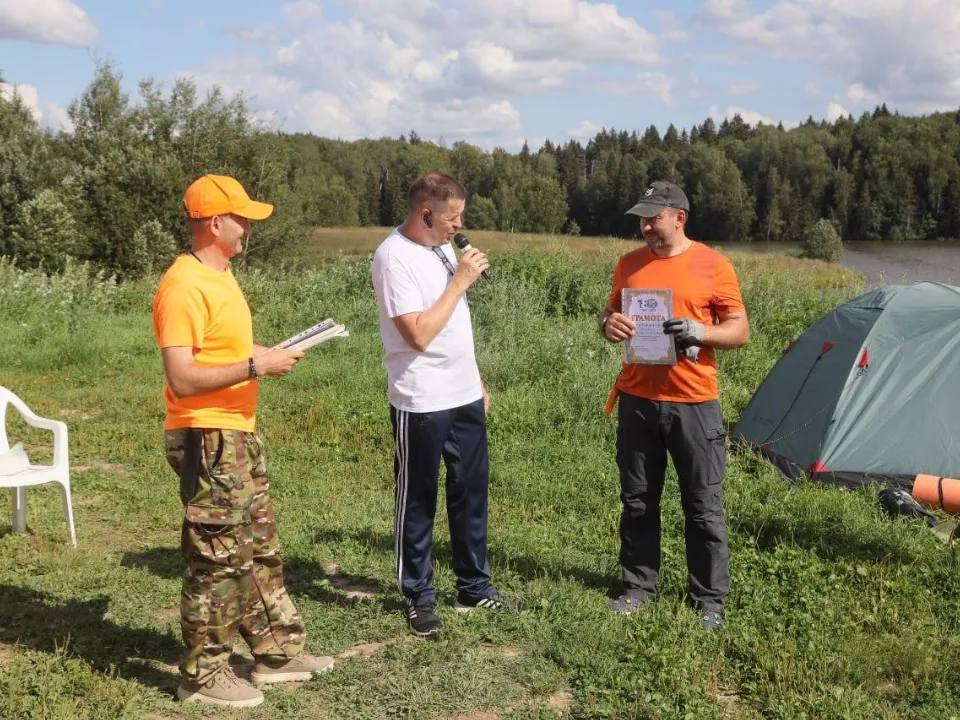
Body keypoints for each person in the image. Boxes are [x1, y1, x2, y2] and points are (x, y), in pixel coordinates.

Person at [152, 174, 334, 708]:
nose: (249, 228)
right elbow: (183, 376)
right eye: (242, 218)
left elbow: (219, 350)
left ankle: (276, 652)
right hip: (207, 436)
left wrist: (266, 353)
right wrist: (257, 364)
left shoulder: (220, 276)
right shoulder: (183, 285)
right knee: (218, 559)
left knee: (259, 549)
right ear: (214, 223)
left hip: (236, 432)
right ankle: (202, 676)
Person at [598, 180, 749, 631]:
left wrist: (701, 333)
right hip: (638, 399)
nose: (645, 225)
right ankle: (639, 587)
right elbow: (608, 315)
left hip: (694, 403)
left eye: (653, 217)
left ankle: (708, 599)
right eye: (641, 218)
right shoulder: (628, 264)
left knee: (703, 504)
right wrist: (609, 324)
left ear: (679, 216)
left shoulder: (713, 264)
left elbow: (739, 330)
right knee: (638, 500)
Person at [371, 171, 515, 637]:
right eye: (452, 218)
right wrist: (461, 281)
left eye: (461, 218)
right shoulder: (394, 257)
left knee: (471, 492)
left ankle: (474, 586)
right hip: (421, 397)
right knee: (418, 498)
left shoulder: (442, 246)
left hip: (463, 393)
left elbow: (454, 325)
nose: (459, 226)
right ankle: (418, 595)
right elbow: (417, 334)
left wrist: (475, 380)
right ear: (426, 213)